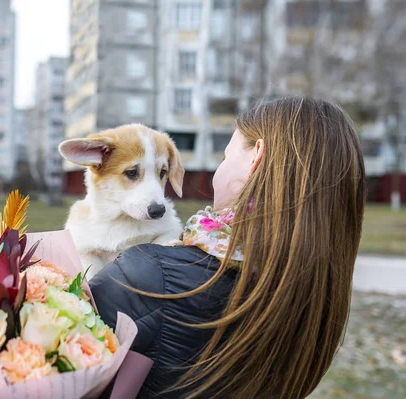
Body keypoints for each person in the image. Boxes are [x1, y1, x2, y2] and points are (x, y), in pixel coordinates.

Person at [90, 97, 366, 399]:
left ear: (256, 157)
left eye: (224, 157)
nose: (216, 173)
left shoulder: (149, 275)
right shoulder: (316, 296)